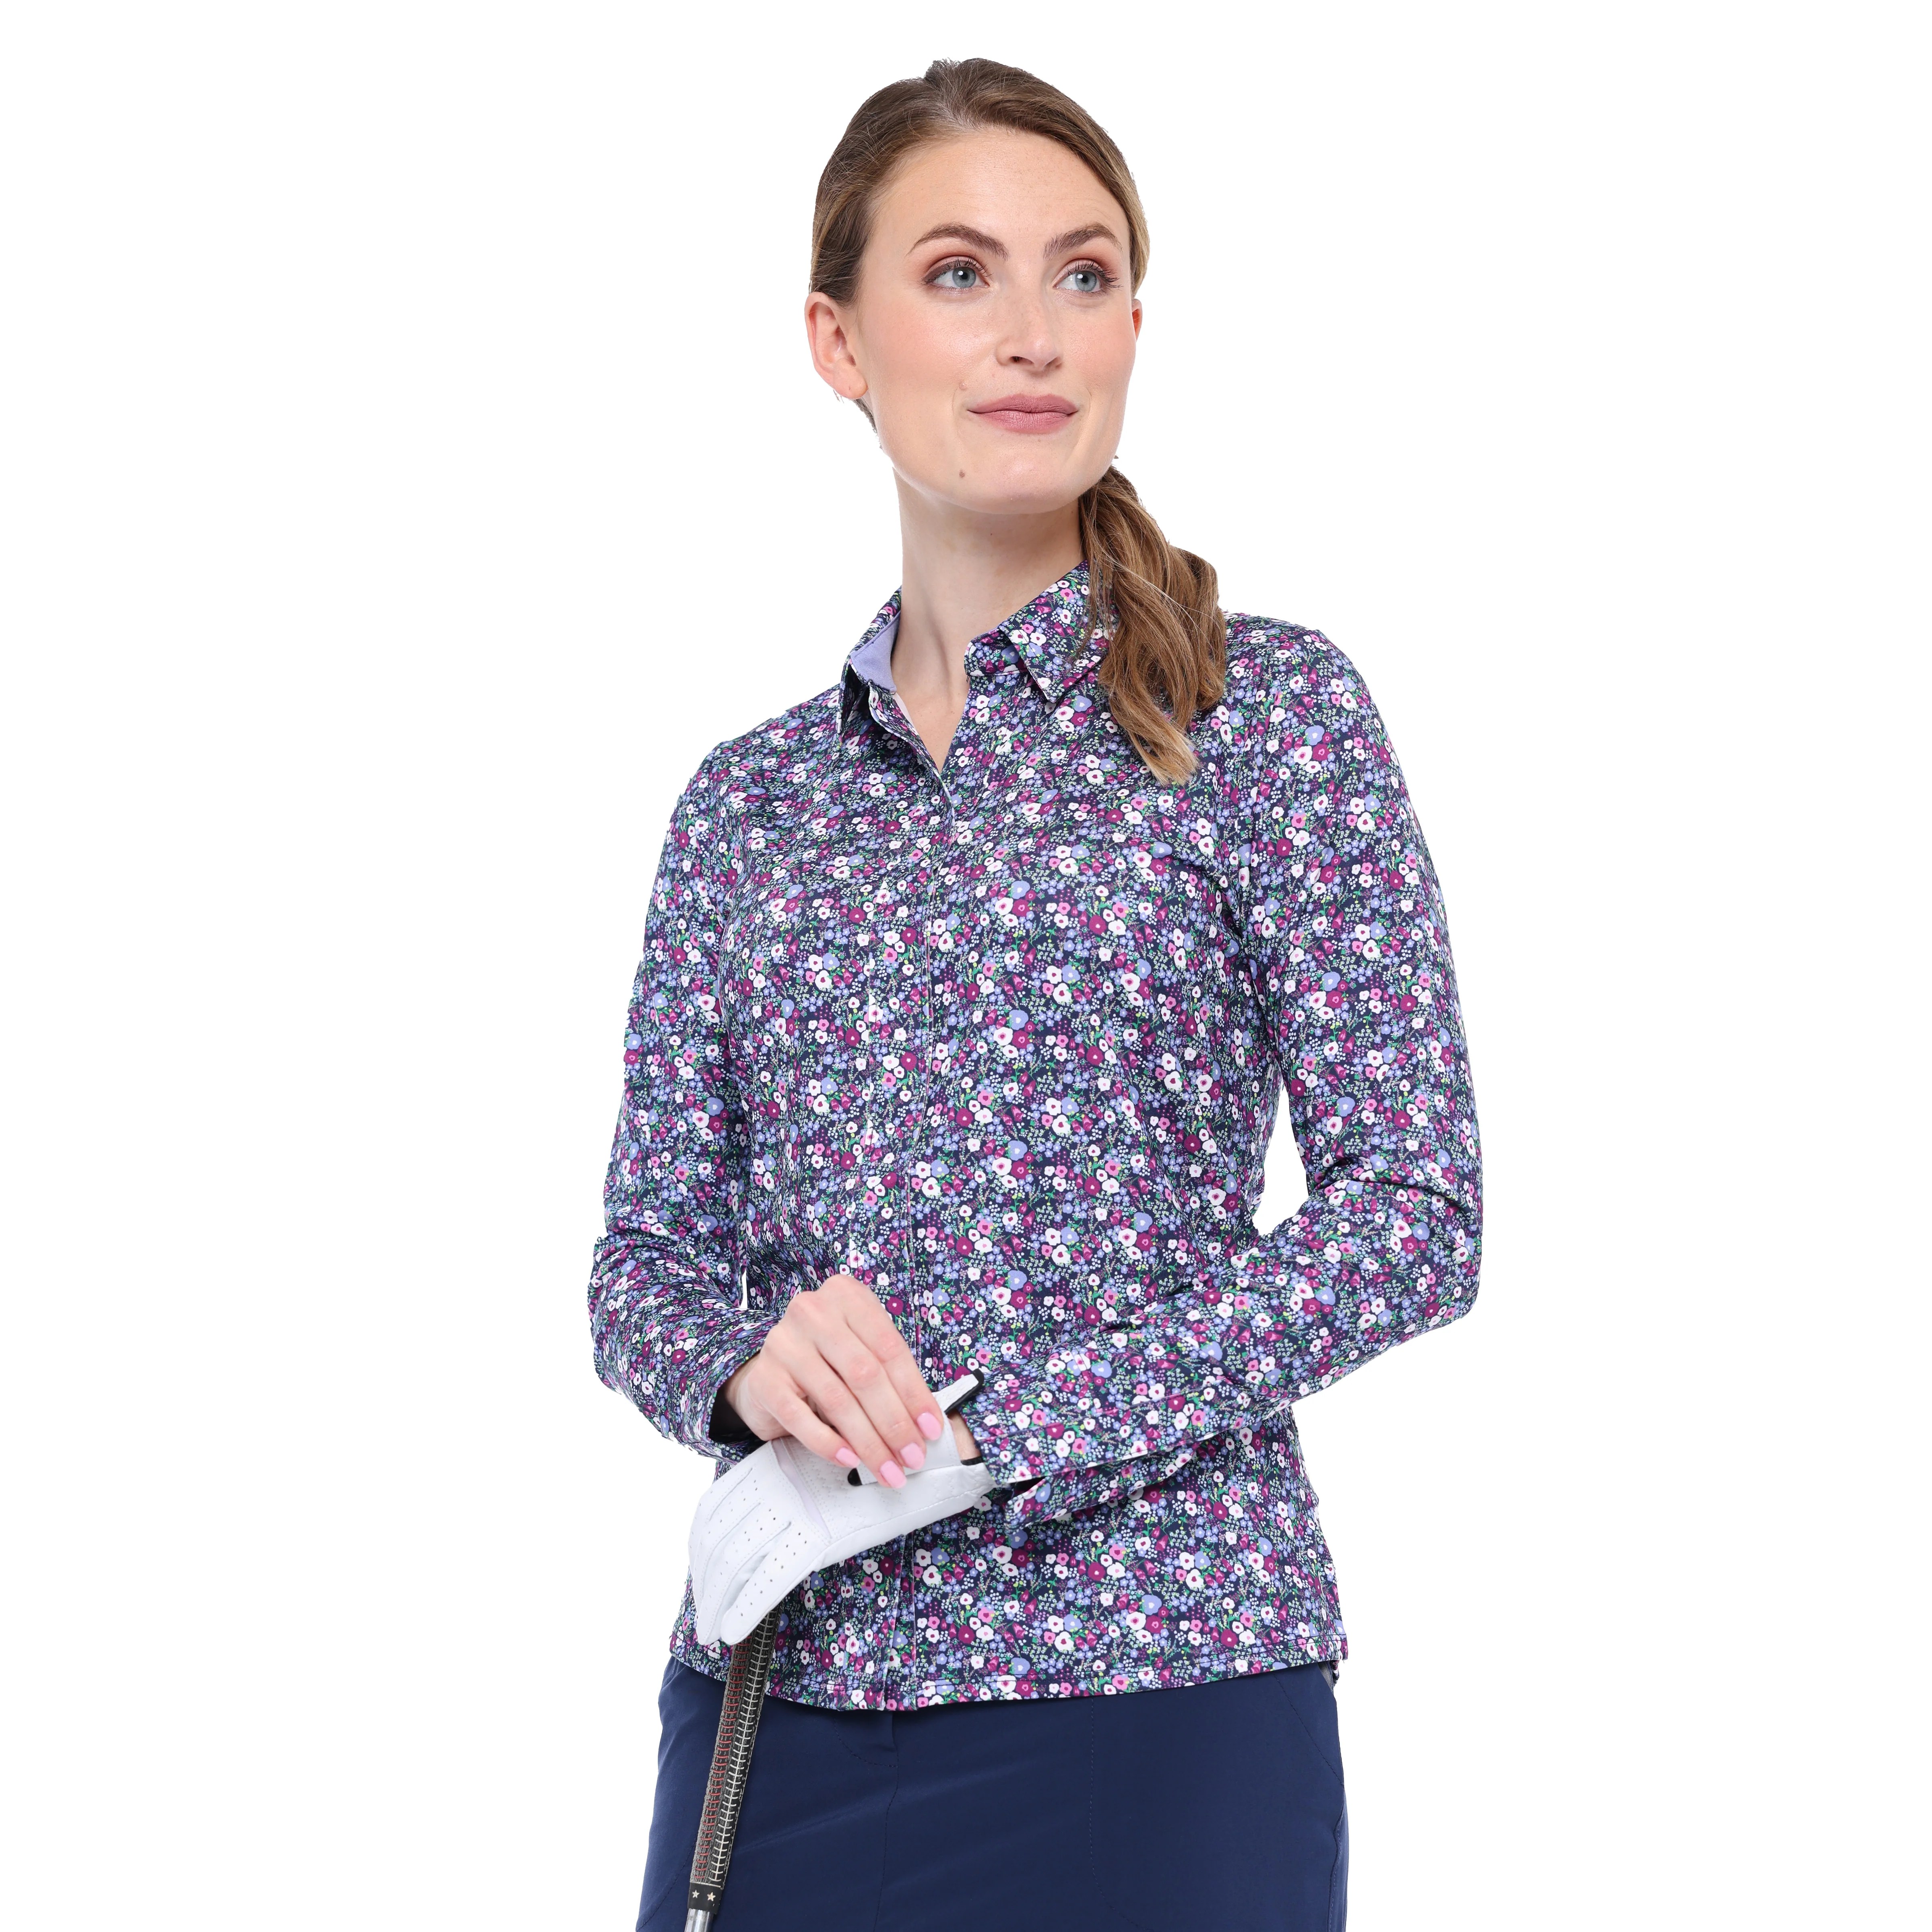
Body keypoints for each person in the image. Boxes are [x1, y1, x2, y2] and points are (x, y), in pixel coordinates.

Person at [588, 56, 1482, 1932]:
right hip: (791, 1694)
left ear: (1134, 327)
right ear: (839, 341)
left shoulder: (1264, 719)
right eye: (959, 274)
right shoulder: (748, 808)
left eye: (1083, 275)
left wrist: (1008, 1429)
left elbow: (1416, 1219)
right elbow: (646, 1263)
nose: (1032, 332)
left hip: (1165, 1691)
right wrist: (741, 1367)